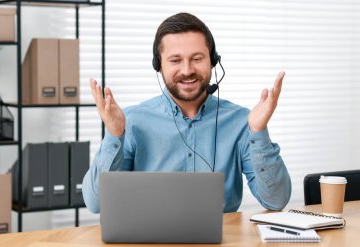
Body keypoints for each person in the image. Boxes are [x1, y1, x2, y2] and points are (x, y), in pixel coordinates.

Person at [82, 12, 291, 213]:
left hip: (222, 246)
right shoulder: (132, 122)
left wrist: (258, 131)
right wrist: (115, 135)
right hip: (151, 246)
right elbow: (96, 203)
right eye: (175, 60)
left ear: (213, 60)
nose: (187, 70)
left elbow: (276, 200)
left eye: (197, 58)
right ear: (158, 65)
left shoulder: (241, 122)